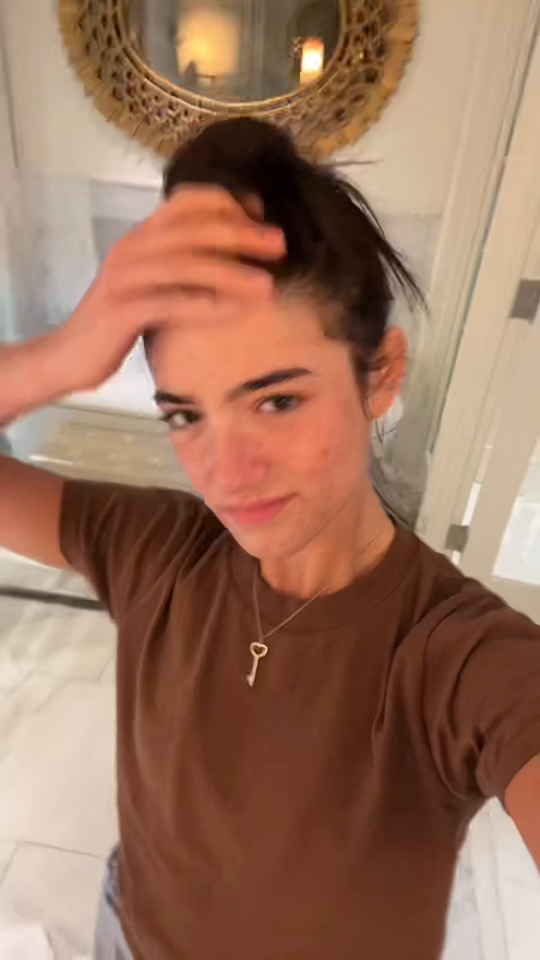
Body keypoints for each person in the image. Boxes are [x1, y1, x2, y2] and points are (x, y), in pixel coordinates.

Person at [1, 118, 539, 960]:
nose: (228, 473)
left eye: (277, 401)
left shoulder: (457, 657)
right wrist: (62, 356)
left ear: (381, 375)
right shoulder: (155, 551)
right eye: (186, 415)